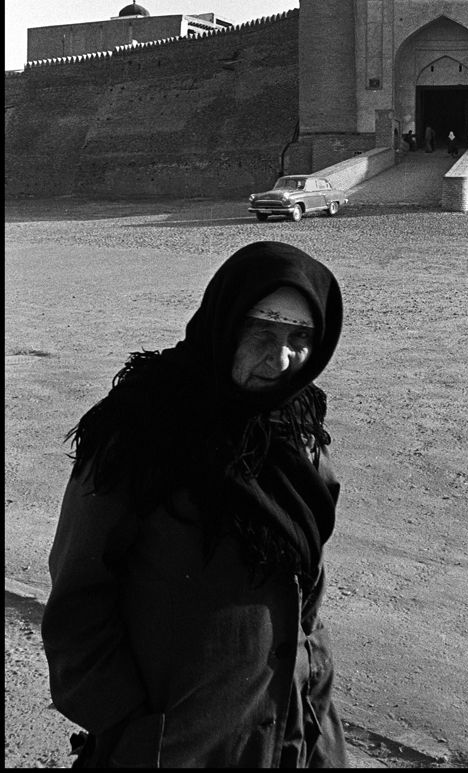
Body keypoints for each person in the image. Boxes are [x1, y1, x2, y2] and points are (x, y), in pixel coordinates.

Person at [42, 241, 348, 769]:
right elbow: (79, 600)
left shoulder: (297, 438)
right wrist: (134, 730)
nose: (281, 359)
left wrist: (314, 696)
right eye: (261, 333)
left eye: (300, 339)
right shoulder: (140, 431)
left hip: (288, 733)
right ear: (224, 323)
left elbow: (307, 594)